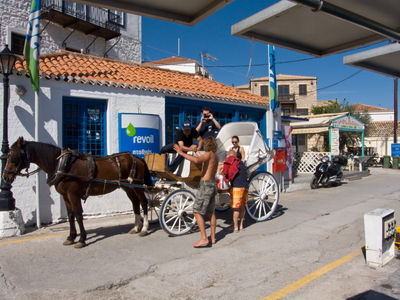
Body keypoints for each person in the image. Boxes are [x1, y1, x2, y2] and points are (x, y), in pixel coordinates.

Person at [173, 137, 218, 248]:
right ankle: (213, 237)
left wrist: (181, 153)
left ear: (207, 145)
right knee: (211, 212)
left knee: (197, 212)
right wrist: (196, 151)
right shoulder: (215, 156)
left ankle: (204, 238)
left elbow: (197, 160)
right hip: (213, 184)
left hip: (205, 185)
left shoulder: (208, 154)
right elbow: (203, 160)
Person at [223, 150, 249, 232]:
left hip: (237, 187)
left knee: (236, 209)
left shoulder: (230, 160)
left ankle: (235, 227)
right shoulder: (240, 162)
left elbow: (224, 171)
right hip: (245, 186)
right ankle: (241, 225)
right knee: (242, 206)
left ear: (230, 155)